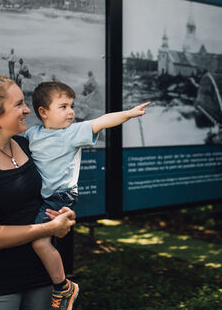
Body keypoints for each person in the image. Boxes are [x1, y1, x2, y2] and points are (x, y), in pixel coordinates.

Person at [0, 68, 76, 310]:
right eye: (19, 104)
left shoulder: (26, 145)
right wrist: (48, 227)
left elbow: (45, 197)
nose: (28, 110)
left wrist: (64, 217)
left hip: (42, 275)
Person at [25, 81, 150, 309]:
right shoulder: (33, 133)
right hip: (42, 195)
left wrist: (129, 114)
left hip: (60, 196)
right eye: (63, 106)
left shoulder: (72, 133)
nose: (71, 111)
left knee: (39, 242)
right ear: (43, 112)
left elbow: (101, 121)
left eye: (71, 105)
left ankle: (63, 287)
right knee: (33, 239)